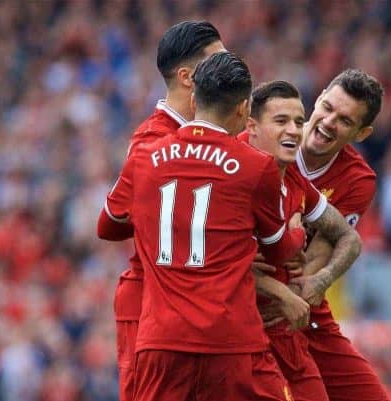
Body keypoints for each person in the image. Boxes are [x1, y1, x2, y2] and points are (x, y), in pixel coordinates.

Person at [100, 52, 305, 400]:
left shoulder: (144, 156)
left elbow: (109, 225)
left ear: (194, 99)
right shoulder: (256, 167)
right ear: (243, 109)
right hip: (230, 341)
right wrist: (298, 228)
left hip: (161, 340)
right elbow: (280, 250)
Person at [96, 20, 224, 401]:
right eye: (218, 60)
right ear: (187, 77)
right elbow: (109, 222)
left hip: (194, 309)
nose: (230, 66)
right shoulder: (154, 140)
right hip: (151, 307)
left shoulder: (213, 133)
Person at [241, 80, 362, 401]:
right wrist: (281, 290)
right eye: (281, 121)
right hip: (239, 330)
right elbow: (212, 259)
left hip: (287, 327)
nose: (295, 130)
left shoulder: (292, 175)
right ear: (251, 127)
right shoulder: (231, 171)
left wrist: (316, 281)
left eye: (298, 121)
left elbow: (349, 238)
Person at [292, 69, 390, 401]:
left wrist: (288, 298)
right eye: (328, 107)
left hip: (298, 294)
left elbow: (320, 255)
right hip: (240, 289)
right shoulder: (268, 139)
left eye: (345, 120)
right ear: (317, 98)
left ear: (362, 133)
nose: (329, 122)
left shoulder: (357, 179)